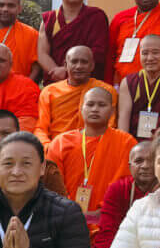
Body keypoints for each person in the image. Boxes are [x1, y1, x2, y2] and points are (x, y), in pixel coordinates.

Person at [44, 86, 137, 237]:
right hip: (64, 219)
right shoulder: (61, 142)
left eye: (102, 105)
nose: (95, 109)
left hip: (108, 220)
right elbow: (52, 185)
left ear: (112, 111)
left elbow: (124, 183)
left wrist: (100, 212)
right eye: (90, 104)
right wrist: (70, 212)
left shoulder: (125, 142)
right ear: (81, 109)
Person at [92, 140, 157, 248]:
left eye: (152, 160)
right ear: (129, 166)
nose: (146, 166)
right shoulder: (118, 188)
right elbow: (107, 232)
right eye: (139, 161)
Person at [39, 0, 113, 83]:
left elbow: (99, 51)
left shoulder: (96, 16)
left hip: (88, 82)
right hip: (57, 83)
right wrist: (56, 71)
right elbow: (42, 53)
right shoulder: (50, 18)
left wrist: (67, 70)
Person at [115, 33, 160, 143]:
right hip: (133, 144)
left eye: (155, 53)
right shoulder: (129, 82)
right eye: (145, 53)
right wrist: (125, 146)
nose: (150, 58)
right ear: (139, 55)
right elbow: (123, 120)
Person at [34, 44, 112, 145]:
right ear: (65, 65)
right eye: (74, 62)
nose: (79, 66)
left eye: (84, 62)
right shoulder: (49, 91)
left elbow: (110, 126)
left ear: (92, 66)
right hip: (57, 147)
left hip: (93, 146)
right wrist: (48, 147)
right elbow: (41, 128)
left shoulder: (105, 91)